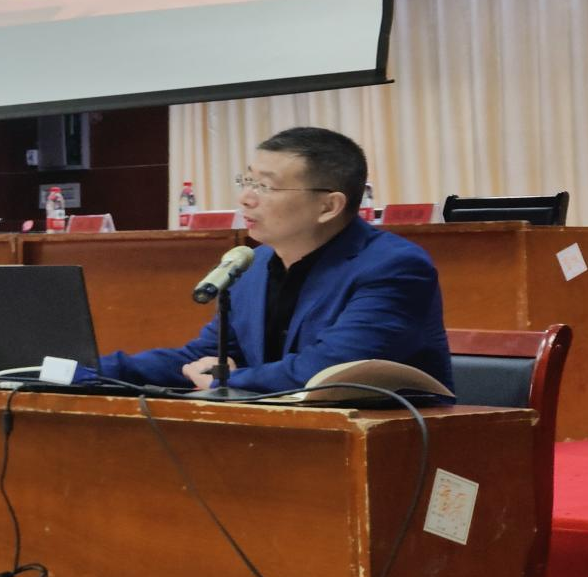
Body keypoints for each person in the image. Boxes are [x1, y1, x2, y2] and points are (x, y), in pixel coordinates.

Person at [97, 126, 453, 393]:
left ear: (328, 206)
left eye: (265, 186)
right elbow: (204, 356)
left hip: (393, 446)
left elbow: (330, 371)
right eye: (246, 181)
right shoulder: (251, 266)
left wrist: (226, 380)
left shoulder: (394, 267)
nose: (245, 198)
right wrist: (87, 370)